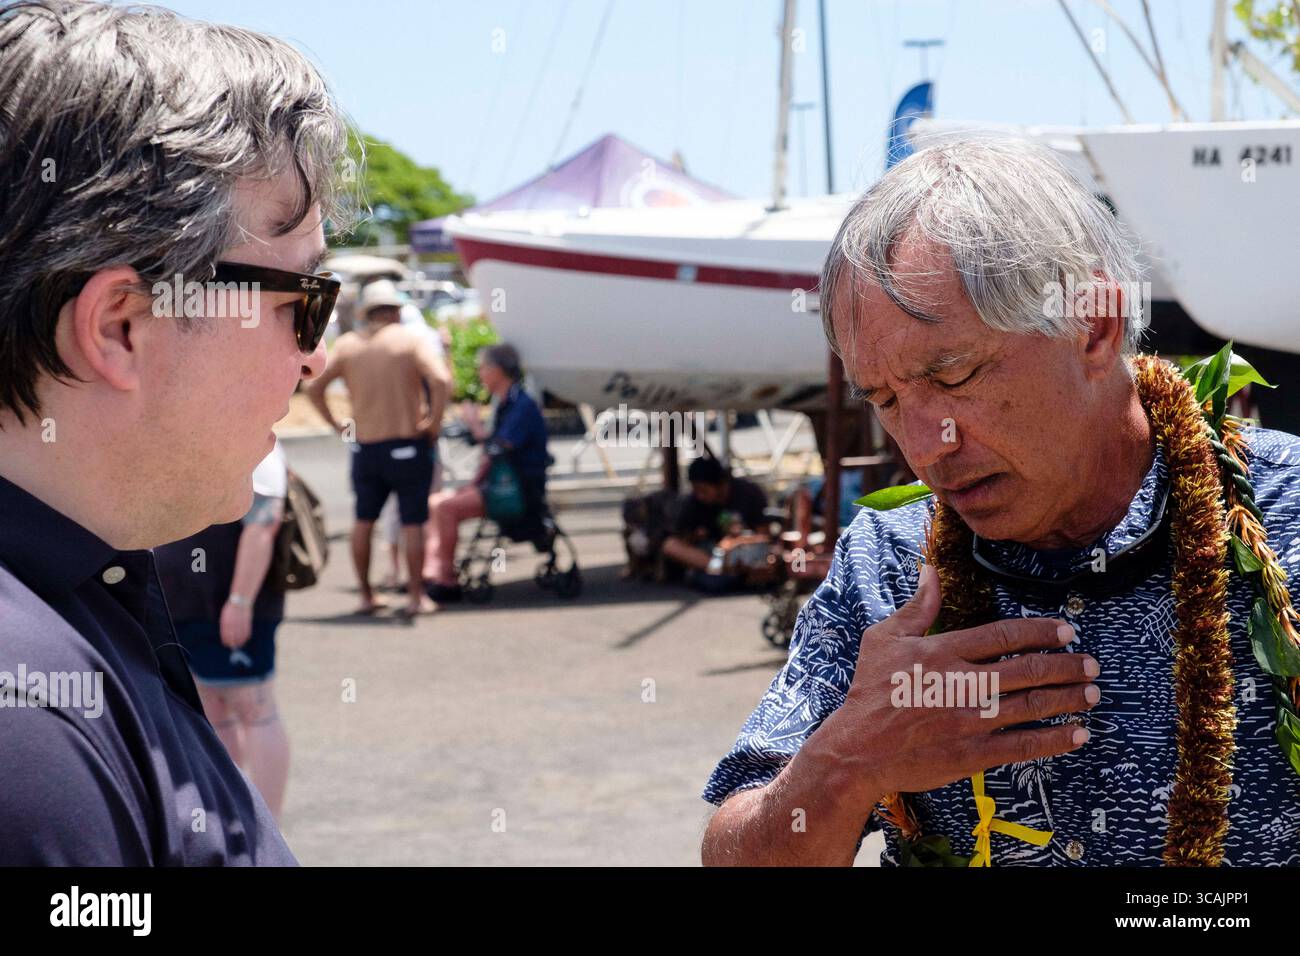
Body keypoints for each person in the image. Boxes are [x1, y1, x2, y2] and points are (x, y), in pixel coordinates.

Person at [701, 135, 1300, 867]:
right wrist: (844, 764)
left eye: (954, 377)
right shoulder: (888, 566)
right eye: (885, 399)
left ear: (1095, 325)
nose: (926, 445)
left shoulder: (1284, 516)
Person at [0, 0, 354, 864]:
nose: (314, 361)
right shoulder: (28, 735)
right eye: (305, 302)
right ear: (120, 325)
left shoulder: (74, 586)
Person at [154, 440, 292, 822]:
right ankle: (230, 814)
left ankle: (268, 825)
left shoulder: (257, 439)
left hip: (232, 603)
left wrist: (241, 601)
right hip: (187, 602)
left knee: (255, 708)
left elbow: (263, 525)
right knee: (214, 711)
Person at [304, 279, 451, 618]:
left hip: (366, 448)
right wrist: (433, 421)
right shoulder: (409, 341)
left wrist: (337, 424)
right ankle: (416, 597)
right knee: (414, 522)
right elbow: (441, 380)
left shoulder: (349, 345)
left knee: (364, 521)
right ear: (396, 311)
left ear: (366, 312)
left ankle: (367, 596)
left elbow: (313, 387)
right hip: (407, 444)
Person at [424, 343, 548, 602]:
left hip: (516, 490)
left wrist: (474, 425)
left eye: (483, 368)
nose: (480, 373)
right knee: (436, 503)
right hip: (502, 483)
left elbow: (499, 448)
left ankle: (445, 578)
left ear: (498, 371)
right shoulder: (505, 403)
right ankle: (435, 569)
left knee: (445, 507)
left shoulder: (521, 405)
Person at [661, 456, 770, 594]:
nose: (700, 496)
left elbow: (764, 534)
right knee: (671, 545)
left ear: (721, 484)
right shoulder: (693, 503)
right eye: (696, 491)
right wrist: (696, 536)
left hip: (744, 552)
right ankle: (721, 572)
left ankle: (725, 574)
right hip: (712, 556)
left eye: (704, 490)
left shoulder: (749, 493)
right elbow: (681, 540)